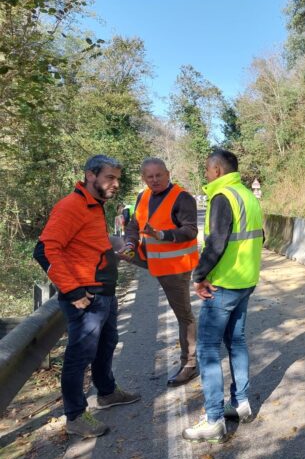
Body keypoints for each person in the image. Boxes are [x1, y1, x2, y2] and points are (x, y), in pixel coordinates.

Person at [33, 155, 141, 438]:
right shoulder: (72, 206)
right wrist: (73, 291)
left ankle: (106, 392)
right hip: (86, 298)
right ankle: (75, 415)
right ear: (90, 175)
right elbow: (45, 251)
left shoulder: (95, 206)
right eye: (110, 177)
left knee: (107, 344)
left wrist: (112, 250)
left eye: (117, 178)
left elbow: (87, 244)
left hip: (104, 292)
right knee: (79, 356)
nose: (115, 184)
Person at [182, 148, 263, 443]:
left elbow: (216, 243)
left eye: (206, 170)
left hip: (224, 284)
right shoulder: (248, 196)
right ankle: (240, 403)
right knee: (237, 342)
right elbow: (259, 238)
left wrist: (199, 276)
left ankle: (214, 419)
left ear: (216, 169)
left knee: (207, 349)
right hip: (245, 282)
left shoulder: (223, 196)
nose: (206, 175)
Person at [118, 158, 200, 387]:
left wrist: (162, 235)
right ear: (143, 178)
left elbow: (190, 231)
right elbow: (134, 225)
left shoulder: (182, 197)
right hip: (153, 262)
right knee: (109, 243)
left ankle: (189, 364)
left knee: (183, 315)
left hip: (177, 267)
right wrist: (130, 245)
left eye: (158, 175)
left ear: (168, 173)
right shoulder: (143, 196)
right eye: (149, 176)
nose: (154, 180)